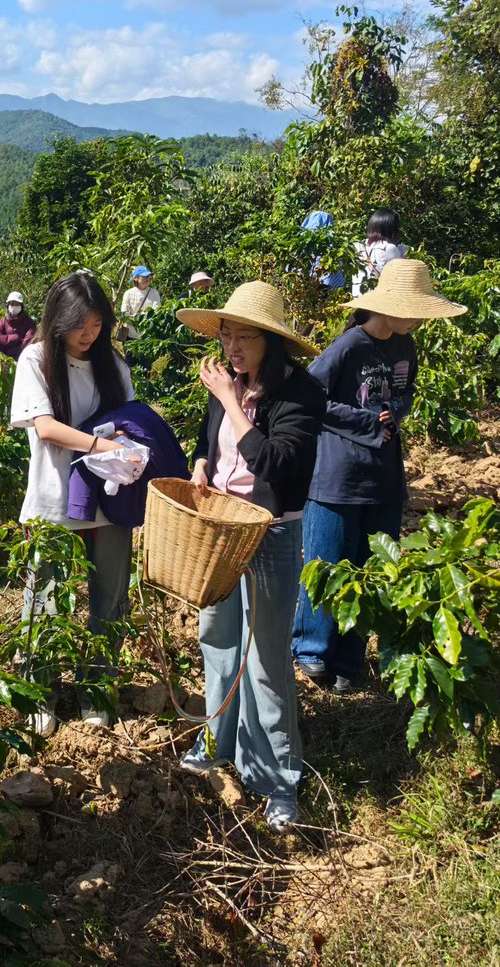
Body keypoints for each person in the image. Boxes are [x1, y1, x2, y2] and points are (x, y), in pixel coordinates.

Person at [175, 283, 326, 831]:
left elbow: (276, 465)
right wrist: (197, 463)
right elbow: (206, 439)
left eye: (243, 337)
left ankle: (277, 777)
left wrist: (234, 406)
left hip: (269, 535)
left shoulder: (301, 394)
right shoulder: (228, 384)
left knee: (264, 659)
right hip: (219, 528)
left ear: (271, 341)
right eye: (226, 336)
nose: (232, 348)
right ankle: (215, 740)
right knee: (216, 638)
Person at [293, 259, 467, 692]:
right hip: (338, 475)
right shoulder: (349, 345)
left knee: (373, 570)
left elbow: (404, 394)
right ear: (386, 305)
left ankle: (351, 660)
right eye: (410, 308)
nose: (415, 319)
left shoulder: (405, 346)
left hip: (385, 476)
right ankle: (313, 650)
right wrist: (367, 421)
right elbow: (308, 397)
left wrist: (394, 414)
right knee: (329, 564)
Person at [10, 271, 134, 734]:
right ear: (58, 320)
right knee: (46, 603)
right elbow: (44, 427)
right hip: (55, 503)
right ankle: (39, 693)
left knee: (109, 601)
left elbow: (130, 421)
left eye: (97, 325)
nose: (89, 334)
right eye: (80, 325)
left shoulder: (113, 366)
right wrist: (105, 447)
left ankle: (96, 690)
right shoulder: (36, 360)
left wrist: (125, 445)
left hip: (108, 505)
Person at [351, 208, 408, 298]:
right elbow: (398, 279)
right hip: (378, 301)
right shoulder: (388, 248)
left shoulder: (357, 246)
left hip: (358, 300)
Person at [301, 211, 346, 290]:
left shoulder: (300, 245)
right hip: (329, 288)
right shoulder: (333, 246)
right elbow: (340, 265)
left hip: (304, 289)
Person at [0, 291, 37, 361]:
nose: (14, 306)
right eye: (12, 304)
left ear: (21, 306)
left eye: (17, 304)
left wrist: (9, 348)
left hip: (22, 359)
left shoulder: (29, 323)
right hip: (4, 360)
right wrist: (16, 338)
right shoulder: (3, 322)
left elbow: (28, 341)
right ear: (8, 306)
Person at [120, 267, 162, 340]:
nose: (147, 278)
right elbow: (124, 314)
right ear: (136, 278)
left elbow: (157, 312)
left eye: (148, 276)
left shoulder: (154, 293)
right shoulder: (128, 293)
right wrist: (136, 321)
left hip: (148, 335)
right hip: (131, 335)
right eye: (144, 276)